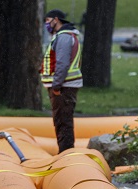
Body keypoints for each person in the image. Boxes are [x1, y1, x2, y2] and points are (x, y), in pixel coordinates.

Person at [40, 9, 83, 154]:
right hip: (65, 85)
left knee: (63, 122)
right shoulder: (67, 36)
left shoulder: (63, 37)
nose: (46, 24)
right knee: (63, 121)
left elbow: (62, 63)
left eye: (47, 20)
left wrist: (56, 86)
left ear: (56, 20)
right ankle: (66, 153)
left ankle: (66, 155)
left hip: (63, 87)